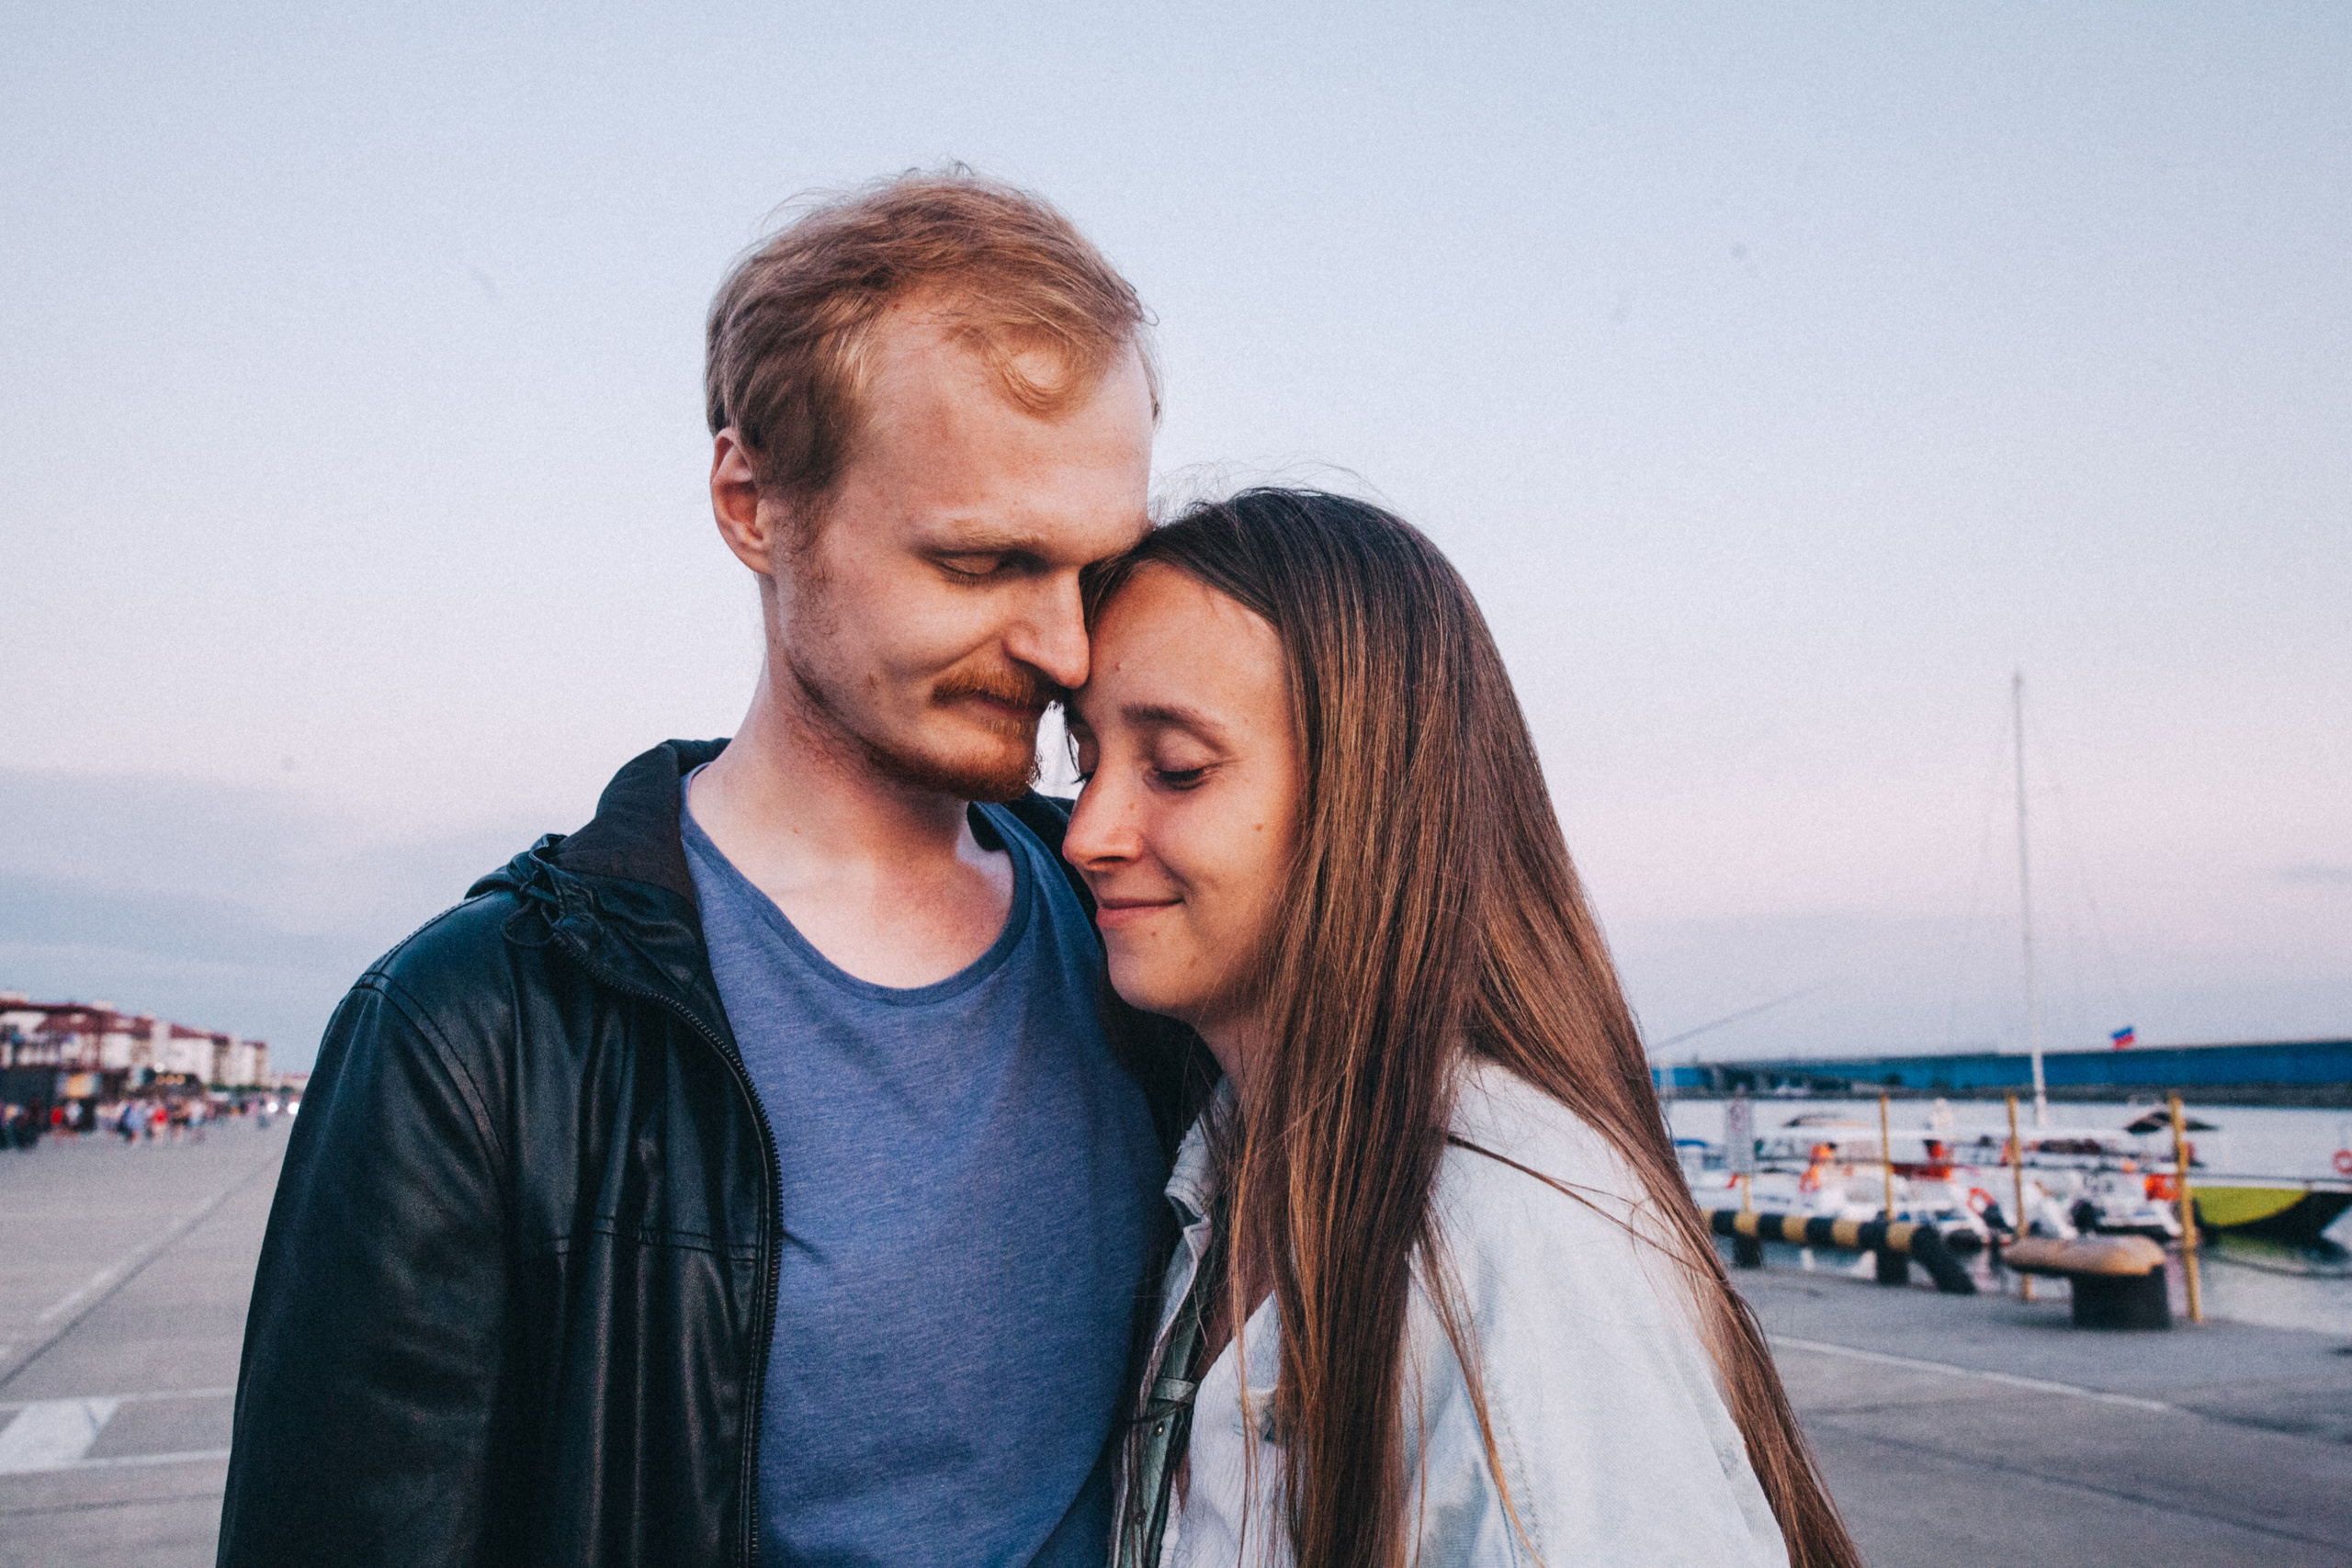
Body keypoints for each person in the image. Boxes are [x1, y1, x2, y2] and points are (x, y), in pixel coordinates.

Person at [219, 172, 1201, 1568]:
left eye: (1098, 572)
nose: (1063, 646)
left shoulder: (1151, 949)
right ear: (753, 501)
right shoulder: (473, 1035)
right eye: (984, 560)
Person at [1064, 490, 1862, 1568]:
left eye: (1175, 769)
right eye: (1086, 762)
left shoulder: (1509, 1235)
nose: (1086, 833)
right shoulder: (1226, 1169)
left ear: (1371, 795)